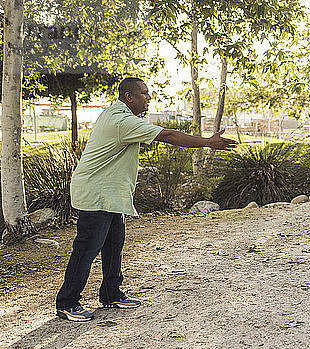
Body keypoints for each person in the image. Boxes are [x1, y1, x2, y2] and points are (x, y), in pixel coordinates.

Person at [56, 77, 237, 322]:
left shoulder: (119, 116)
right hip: (96, 193)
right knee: (87, 249)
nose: (148, 98)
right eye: (144, 93)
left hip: (110, 193)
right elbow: (170, 136)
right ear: (128, 97)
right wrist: (208, 142)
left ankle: (111, 294)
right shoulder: (121, 121)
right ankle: (67, 303)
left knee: (113, 246)